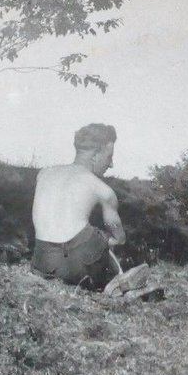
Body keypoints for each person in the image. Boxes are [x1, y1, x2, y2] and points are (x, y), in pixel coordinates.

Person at [31, 123, 143, 292]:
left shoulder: (44, 173)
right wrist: (112, 240)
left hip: (42, 263)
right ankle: (119, 281)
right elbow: (118, 235)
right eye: (109, 156)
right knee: (100, 236)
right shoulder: (102, 189)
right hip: (77, 266)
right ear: (96, 154)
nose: (111, 164)